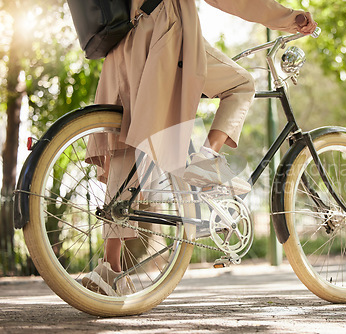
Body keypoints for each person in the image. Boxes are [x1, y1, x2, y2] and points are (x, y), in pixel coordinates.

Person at [82, 0, 317, 295]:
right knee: (241, 83)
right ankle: (205, 159)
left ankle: (110, 268)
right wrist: (289, 18)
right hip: (163, 32)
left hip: (125, 42)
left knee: (126, 145)